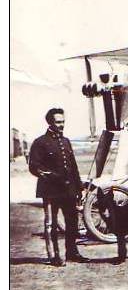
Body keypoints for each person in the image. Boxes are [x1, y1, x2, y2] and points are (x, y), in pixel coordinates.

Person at [28, 108, 90, 266]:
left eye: (63, 122)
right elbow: (34, 166)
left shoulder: (66, 141)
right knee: (51, 224)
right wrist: (50, 177)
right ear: (50, 122)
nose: (61, 125)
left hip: (68, 189)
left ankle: (72, 252)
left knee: (72, 221)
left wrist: (79, 187)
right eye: (58, 122)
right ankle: (54, 256)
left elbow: (73, 167)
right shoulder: (40, 142)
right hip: (51, 191)